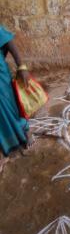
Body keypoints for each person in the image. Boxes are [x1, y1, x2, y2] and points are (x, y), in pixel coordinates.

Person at [0, 25, 31, 165]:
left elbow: (9, 43)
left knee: (11, 105)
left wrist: (21, 67)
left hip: (1, 78)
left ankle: (25, 132)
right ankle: (3, 147)